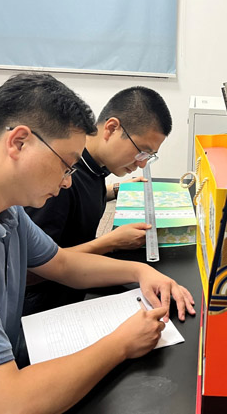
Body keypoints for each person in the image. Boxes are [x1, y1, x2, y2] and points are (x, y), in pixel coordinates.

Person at [0, 73, 195, 414]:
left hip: (4, 361)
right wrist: (121, 343)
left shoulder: (3, 205)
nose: (67, 182)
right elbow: (7, 405)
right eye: (66, 165)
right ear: (19, 142)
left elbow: (62, 263)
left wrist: (140, 271)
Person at [23, 86, 172, 315]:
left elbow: (83, 198)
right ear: (111, 128)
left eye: (149, 156)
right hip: (50, 305)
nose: (142, 163)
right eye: (141, 152)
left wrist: (115, 189)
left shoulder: (94, 167)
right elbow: (30, 273)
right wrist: (109, 242)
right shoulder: (61, 180)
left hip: (78, 281)